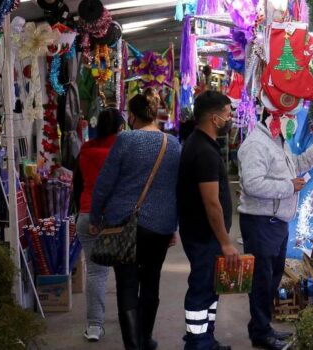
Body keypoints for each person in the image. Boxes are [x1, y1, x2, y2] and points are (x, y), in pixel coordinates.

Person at [90, 94, 181, 350]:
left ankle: (134, 345)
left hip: (123, 223)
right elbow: (177, 188)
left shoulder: (125, 140)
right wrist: (173, 226)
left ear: (132, 115)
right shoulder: (173, 144)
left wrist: (96, 217)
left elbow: (105, 182)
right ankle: (145, 338)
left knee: (127, 283)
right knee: (151, 281)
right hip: (160, 227)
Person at [237, 111, 313, 350]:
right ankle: (260, 332)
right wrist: (288, 186)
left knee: (273, 276)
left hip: (277, 222)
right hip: (261, 222)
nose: (293, 122)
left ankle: (262, 328)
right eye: (289, 118)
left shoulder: (279, 142)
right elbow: (252, 184)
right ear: (273, 118)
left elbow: (297, 165)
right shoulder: (255, 145)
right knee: (262, 279)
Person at [178, 91, 236, 350]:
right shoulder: (204, 151)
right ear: (215, 118)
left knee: (211, 288)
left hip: (201, 233)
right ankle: (197, 342)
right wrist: (225, 242)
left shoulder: (200, 143)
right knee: (202, 289)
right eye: (228, 113)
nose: (231, 118)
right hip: (204, 235)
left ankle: (206, 339)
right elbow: (211, 202)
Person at [76, 108, 125, 342]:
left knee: (95, 272)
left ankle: (95, 325)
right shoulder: (122, 148)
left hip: (86, 214)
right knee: (125, 271)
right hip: (115, 218)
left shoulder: (86, 149)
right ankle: (129, 320)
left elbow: (78, 183)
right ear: (120, 127)